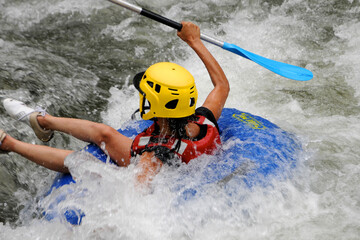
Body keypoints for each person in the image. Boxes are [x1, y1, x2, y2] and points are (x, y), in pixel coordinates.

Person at [0, 22, 229, 184]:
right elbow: (222, 86)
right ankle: (42, 121)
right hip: (170, 152)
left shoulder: (153, 157)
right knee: (105, 133)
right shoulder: (203, 118)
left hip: (158, 169)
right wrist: (194, 40)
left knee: (81, 162)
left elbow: (134, 196)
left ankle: (8, 143)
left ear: (155, 103)